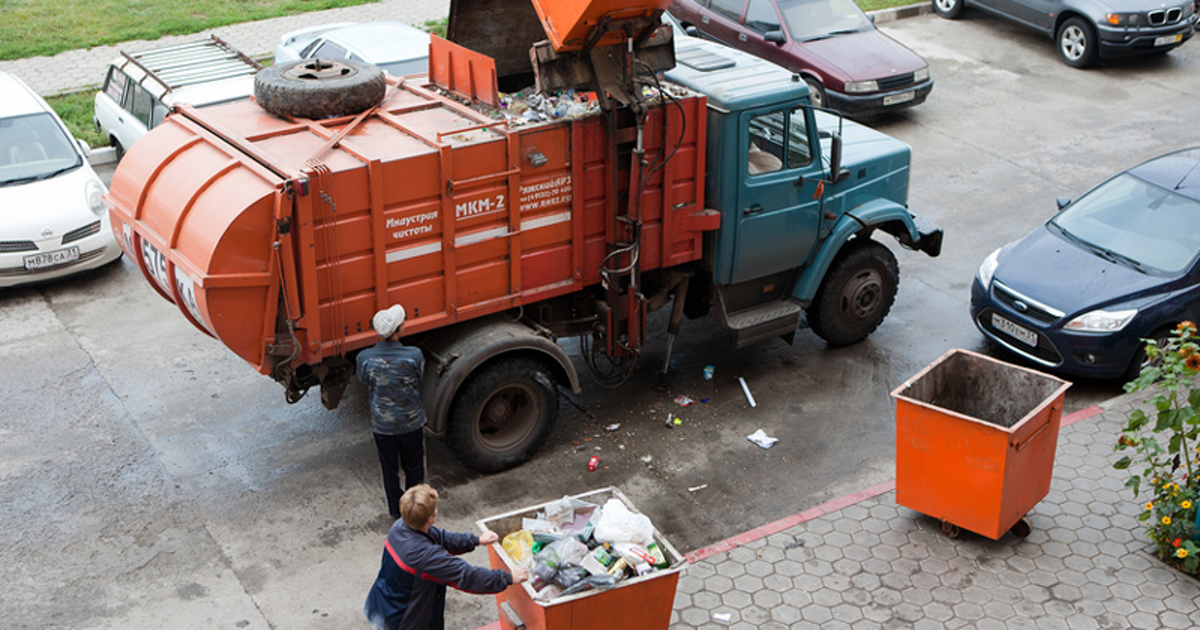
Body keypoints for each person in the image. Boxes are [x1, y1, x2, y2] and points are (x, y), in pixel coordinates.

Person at [364, 484, 530, 630]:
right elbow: (466, 576)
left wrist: (475, 540)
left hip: (381, 603)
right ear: (432, 517)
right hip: (404, 621)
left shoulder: (401, 526)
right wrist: (508, 577)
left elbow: (442, 538)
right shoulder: (425, 557)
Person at [357, 304, 427, 518]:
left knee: (389, 470)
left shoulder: (365, 358)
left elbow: (364, 381)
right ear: (400, 329)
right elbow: (419, 377)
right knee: (414, 467)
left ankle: (396, 512)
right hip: (411, 423)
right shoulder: (414, 355)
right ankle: (415, 511)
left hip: (382, 426)